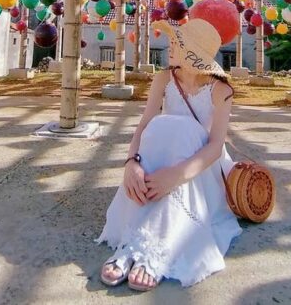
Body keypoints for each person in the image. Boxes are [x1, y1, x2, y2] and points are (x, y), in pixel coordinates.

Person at [95, 18, 242, 291]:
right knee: (162, 124)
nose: (170, 46)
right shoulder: (163, 78)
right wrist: (132, 164)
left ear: (192, 52)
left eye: (177, 43)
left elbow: (214, 146)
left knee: (183, 129)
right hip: (161, 158)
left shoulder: (221, 90)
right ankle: (135, 243)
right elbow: (144, 125)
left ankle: (151, 247)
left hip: (199, 169)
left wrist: (176, 176)